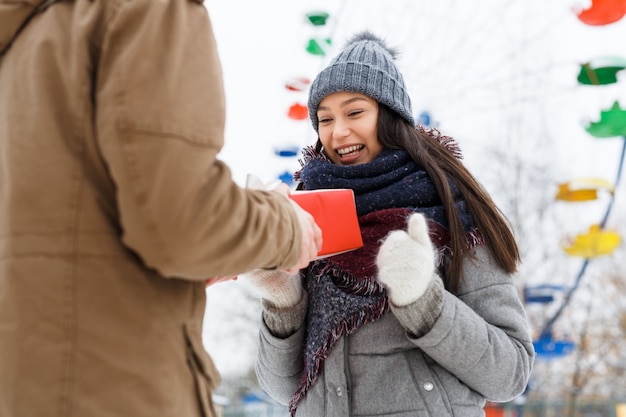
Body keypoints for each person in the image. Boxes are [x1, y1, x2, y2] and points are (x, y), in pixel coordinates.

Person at [0, 1, 321, 417]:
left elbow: (68, 235)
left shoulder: (25, 39)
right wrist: (285, 226)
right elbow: (177, 222)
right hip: (118, 384)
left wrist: (201, 261)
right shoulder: (148, 8)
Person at [243, 31, 535, 417]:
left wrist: (423, 300)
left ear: (390, 116)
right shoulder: (307, 217)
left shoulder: (450, 210)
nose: (338, 131)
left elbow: (509, 375)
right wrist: (282, 298)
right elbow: (281, 388)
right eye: (325, 119)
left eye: (355, 112)